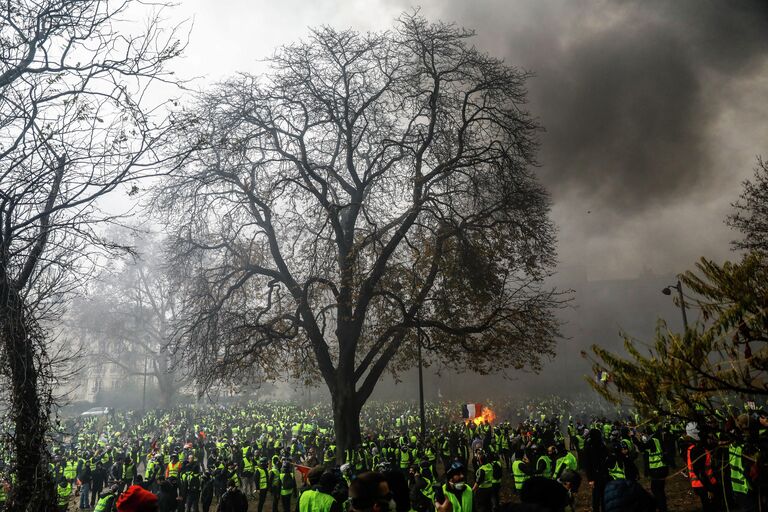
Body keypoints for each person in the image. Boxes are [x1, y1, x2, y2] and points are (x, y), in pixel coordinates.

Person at [581, 429, 608, 512]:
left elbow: (605, 458)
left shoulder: (602, 445)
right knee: (596, 495)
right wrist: (590, 479)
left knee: (604, 495)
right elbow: (587, 464)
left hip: (603, 474)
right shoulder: (589, 446)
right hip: (595, 475)